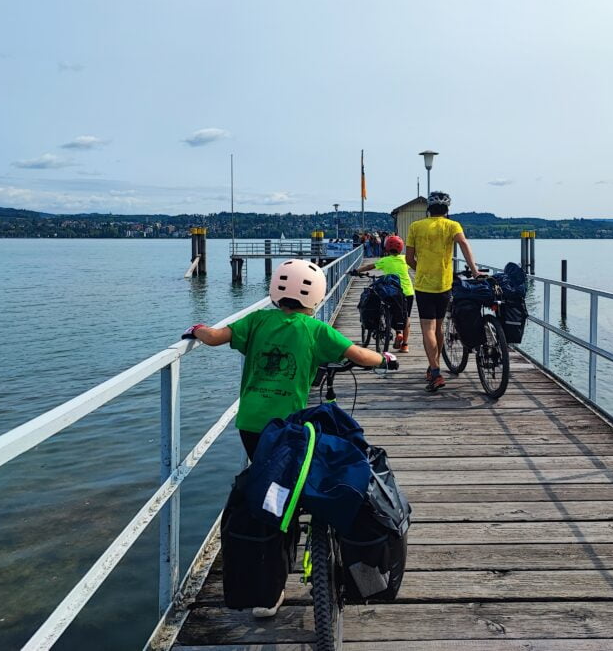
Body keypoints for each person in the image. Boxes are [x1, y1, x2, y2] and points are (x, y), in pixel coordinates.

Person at [181, 259, 396, 616]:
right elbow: (359, 355)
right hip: (287, 427)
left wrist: (198, 329)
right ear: (317, 296)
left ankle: (270, 587)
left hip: (251, 424)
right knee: (292, 488)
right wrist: (386, 358)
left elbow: (217, 337)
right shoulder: (314, 330)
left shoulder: (257, 320)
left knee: (270, 490)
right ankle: (299, 541)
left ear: (276, 291)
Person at [406, 191, 479, 392]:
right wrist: (474, 270)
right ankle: (434, 366)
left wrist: (420, 269)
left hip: (423, 285)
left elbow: (409, 259)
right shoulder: (452, 225)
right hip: (444, 285)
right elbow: (464, 243)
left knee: (428, 329)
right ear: (447, 210)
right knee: (438, 327)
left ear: (429, 209)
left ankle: (435, 371)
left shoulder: (416, 226)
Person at [350, 234, 414, 353]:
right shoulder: (405, 259)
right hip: (407, 291)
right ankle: (405, 345)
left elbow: (370, 266)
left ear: (386, 248)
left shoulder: (385, 260)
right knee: (406, 316)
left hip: (392, 290)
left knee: (390, 308)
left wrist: (356, 271)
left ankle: (395, 331)